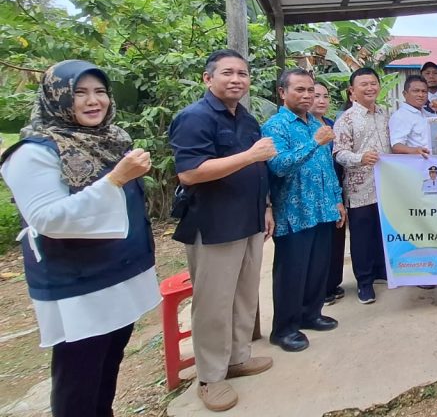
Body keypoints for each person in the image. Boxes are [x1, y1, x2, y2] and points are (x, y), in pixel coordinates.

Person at [0, 61, 159, 417]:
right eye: (79, 93)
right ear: (56, 98)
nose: (93, 101)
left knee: (108, 365)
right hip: (78, 284)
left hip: (119, 272)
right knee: (78, 377)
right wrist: (116, 179)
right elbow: (47, 218)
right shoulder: (33, 153)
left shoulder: (111, 139)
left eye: (99, 92)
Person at [169, 49, 275, 412]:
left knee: (244, 294)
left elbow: (258, 170)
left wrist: (265, 208)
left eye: (242, 74)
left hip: (248, 219)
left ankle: (237, 357)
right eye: (227, 73)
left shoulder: (245, 118)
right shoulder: (194, 118)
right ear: (207, 78)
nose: (236, 80)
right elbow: (191, 172)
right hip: (214, 225)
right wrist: (250, 156)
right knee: (213, 303)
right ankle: (210, 377)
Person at [262, 69, 343, 353]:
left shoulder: (314, 124)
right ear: (282, 92)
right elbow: (280, 165)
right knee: (291, 272)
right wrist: (315, 143)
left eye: (310, 90)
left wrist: (337, 200)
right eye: (300, 90)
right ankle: (284, 329)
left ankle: (311, 313)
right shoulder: (275, 126)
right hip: (294, 211)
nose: (307, 96)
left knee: (318, 267)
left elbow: (327, 169)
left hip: (322, 209)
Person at [334, 67, 391, 305]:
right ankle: (364, 283)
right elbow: (339, 153)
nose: (370, 88)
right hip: (360, 189)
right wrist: (360, 158)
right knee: (361, 238)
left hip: (387, 187)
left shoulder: (384, 114)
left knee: (381, 232)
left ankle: (381, 271)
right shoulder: (346, 119)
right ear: (352, 91)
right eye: (363, 84)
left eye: (373, 83)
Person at [311, 83, 347, 305]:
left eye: (325, 96)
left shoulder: (333, 125)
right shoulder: (306, 127)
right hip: (315, 193)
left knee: (336, 239)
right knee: (318, 244)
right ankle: (319, 290)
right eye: (316, 96)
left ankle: (332, 284)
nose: (321, 101)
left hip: (336, 189)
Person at [389, 75, 432, 160]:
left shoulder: (426, 114)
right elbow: (396, 146)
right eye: (416, 91)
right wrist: (414, 150)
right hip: (415, 166)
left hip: (431, 166)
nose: (421, 94)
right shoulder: (400, 116)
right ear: (405, 94)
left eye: (424, 91)